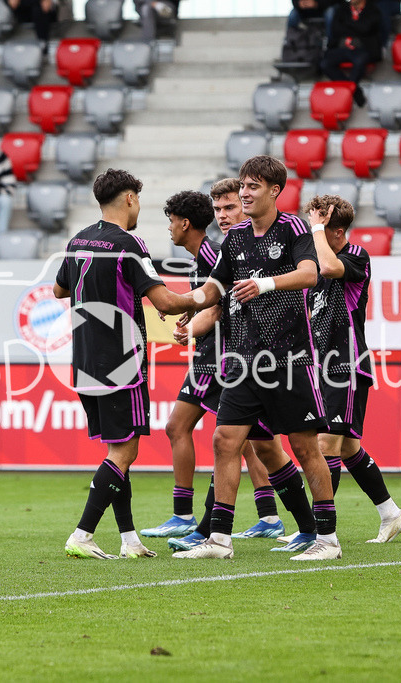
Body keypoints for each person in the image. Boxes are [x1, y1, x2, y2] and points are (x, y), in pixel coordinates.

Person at [173, 155, 341, 561]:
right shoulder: (234, 238)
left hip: (288, 360)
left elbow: (310, 274)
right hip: (242, 360)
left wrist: (263, 284)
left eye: (252, 187)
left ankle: (327, 540)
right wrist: (181, 303)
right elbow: (214, 290)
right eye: (242, 186)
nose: (244, 194)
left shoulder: (294, 229)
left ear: (274, 191)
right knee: (224, 440)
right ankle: (219, 540)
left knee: (304, 448)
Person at [54, 168, 204, 560]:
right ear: (130, 200)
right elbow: (167, 303)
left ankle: (128, 538)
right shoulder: (129, 244)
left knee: (118, 450)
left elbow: (58, 289)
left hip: (84, 360)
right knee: (123, 454)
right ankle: (83, 533)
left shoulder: (77, 240)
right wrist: (205, 296)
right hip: (122, 360)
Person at [143, 188, 292, 544]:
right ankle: (269, 515)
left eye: (229, 207)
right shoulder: (209, 253)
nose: (222, 215)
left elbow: (220, 306)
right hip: (223, 352)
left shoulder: (213, 251)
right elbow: (211, 299)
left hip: (223, 354)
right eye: (218, 208)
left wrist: (189, 319)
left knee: (184, 427)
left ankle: (187, 516)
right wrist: (186, 311)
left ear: (184, 223)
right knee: (246, 439)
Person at [298, 194, 401, 545]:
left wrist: (316, 230)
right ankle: (391, 514)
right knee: (346, 449)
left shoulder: (356, 256)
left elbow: (331, 267)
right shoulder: (316, 264)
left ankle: (319, 532)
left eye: (318, 229)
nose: (311, 235)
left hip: (344, 363)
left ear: (338, 231)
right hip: (319, 363)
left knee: (325, 444)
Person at [319, 0, 382, 107]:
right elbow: (336, 29)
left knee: (360, 60)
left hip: (363, 49)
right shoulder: (342, 8)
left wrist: (347, 24)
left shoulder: (373, 9)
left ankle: (347, 92)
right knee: (325, 64)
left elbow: (366, 28)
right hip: (341, 48)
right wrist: (357, 26)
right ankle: (355, 91)